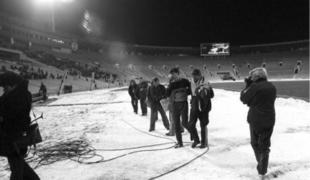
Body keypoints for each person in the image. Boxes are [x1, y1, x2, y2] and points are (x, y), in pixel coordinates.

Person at [0, 72, 40, 180]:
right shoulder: (14, 95)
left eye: (5, 87)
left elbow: (12, 116)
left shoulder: (18, 97)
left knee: (16, 168)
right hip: (11, 138)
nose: (4, 89)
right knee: (18, 164)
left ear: (13, 84)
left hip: (14, 138)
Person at [240, 67, 276, 180]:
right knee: (264, 146)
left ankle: (261, 165)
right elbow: (260, 100)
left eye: (252, 76)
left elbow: (244, 99)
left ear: (256, 77)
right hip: (269, 119)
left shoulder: (254, 86)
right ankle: (262, 170)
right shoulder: (272, 86)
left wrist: (247, 85)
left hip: (255, 120)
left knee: (255, 143)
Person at [188, 69, 214, 149]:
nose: (194, 77)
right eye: (193, 75)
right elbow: (190, 92)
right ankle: (196, 140)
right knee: (191, 124)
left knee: (203, 124)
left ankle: (204, 142)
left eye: (195, 75)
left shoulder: (206, 82)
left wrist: (205, 90)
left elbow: (211, 95)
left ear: (199, 75)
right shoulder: (191, 82)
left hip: (204, 106)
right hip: (195, 104)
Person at [166, 68, 191, 148]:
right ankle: (179, 142)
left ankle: (194, 134)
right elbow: (167, 94)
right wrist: (169, 85)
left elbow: (191, 90)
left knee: (184, 122)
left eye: (173, 73)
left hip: (183, 103)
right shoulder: (171, 83)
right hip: (174, 104)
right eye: (171, 74)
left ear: (177, 73)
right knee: (176, 124)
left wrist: (184, 92)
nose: (172, 75)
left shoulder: (185, 81)